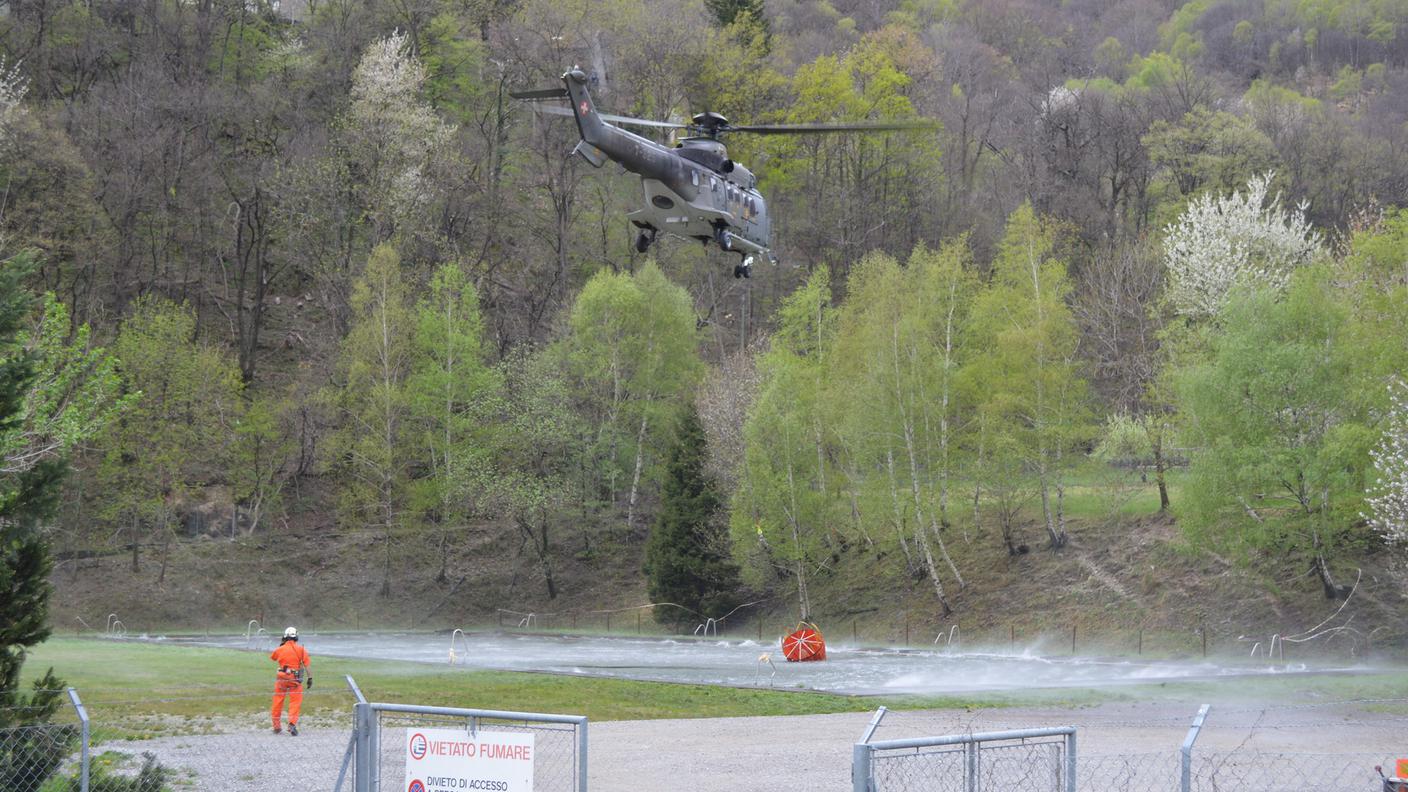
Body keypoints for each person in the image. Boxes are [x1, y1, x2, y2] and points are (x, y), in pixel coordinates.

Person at [269, 626, 312, 735]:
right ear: (296, 637)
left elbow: (273, 657)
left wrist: (281, 645)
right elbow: (307, 666)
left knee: (278, 701)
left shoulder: (279, 649)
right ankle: (292, 724)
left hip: (281, 678)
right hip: (295, 678)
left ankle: (276, 726)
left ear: (284, 637)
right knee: (295, 701)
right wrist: (310, 678)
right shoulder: (301, 650)